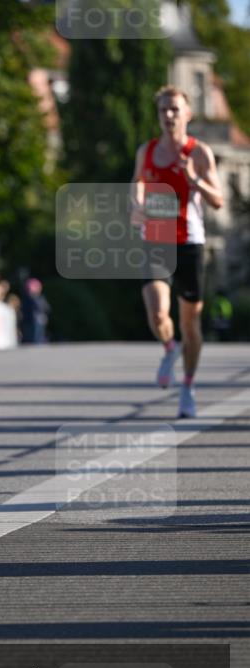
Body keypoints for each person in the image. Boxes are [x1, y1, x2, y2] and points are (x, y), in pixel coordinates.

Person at [130, 85, 223, 418]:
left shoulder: (200, 152)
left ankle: (188, 385)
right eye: (163, 110)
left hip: (190, 242)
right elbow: (137, 185)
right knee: (157, 313)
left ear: (187, 114)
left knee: (191, 323)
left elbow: (218, 200)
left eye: (174, 110)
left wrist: (194, 179)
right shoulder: (148, 150)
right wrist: (136, 205)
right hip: (156, 237)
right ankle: (169, 349)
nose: (168, 116)